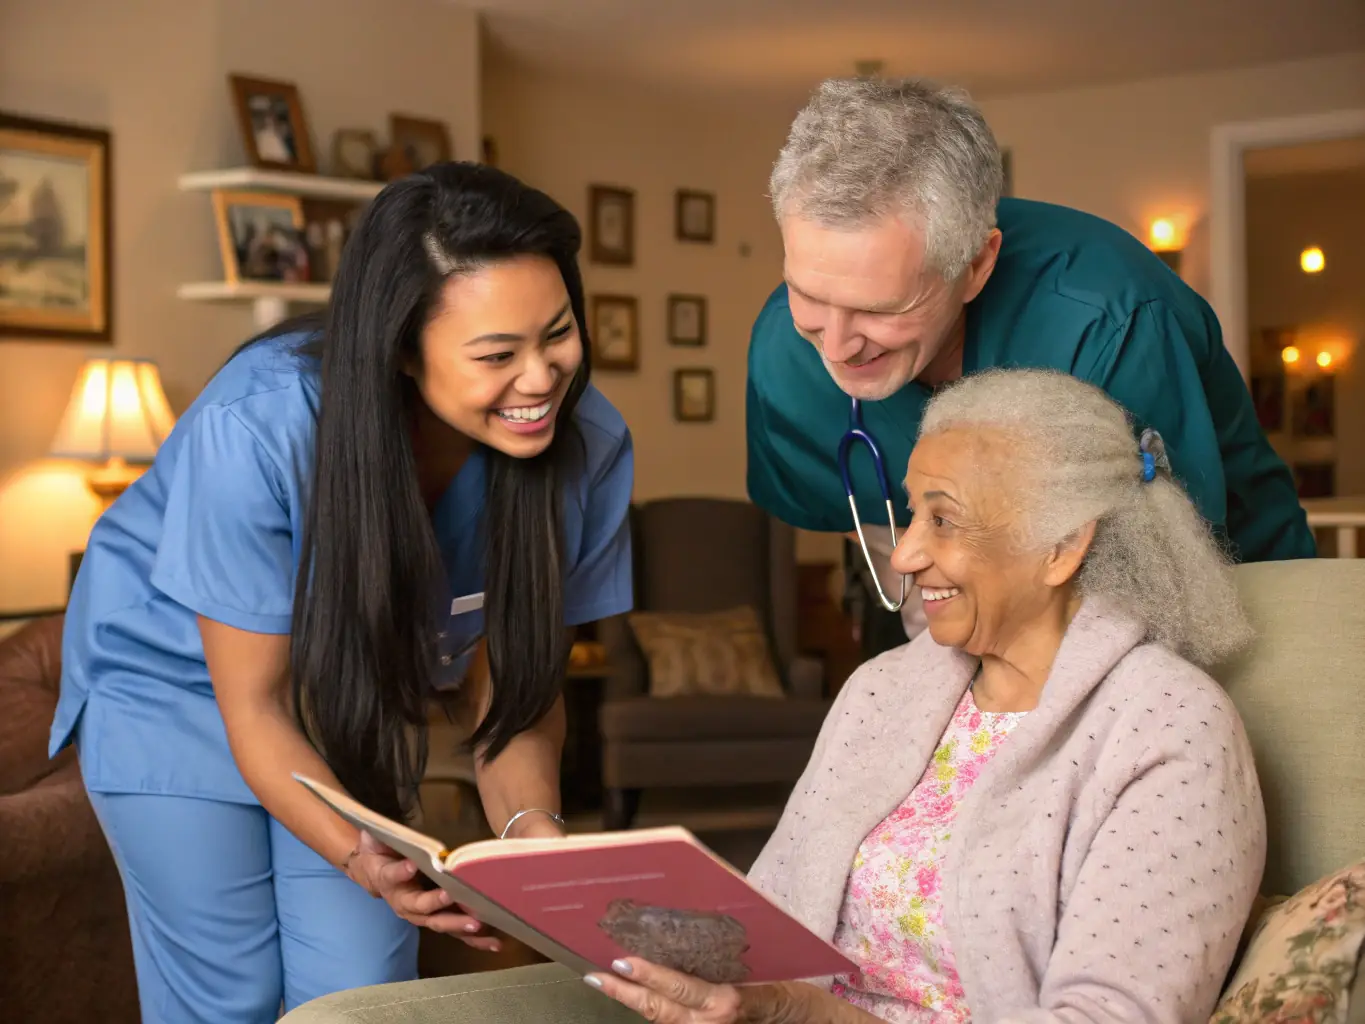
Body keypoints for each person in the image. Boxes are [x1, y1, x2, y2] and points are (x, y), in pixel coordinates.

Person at [50, 162, 634, 1021]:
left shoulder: (588, 444)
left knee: (360, 992)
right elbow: (255, 705)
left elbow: (513, 690)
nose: (542, 378)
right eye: (496, 355)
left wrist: (531, 835)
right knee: (231, 998)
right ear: (401, 349)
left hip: (352, 698)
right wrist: (358, 856)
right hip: (172, 691)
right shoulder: (260, 423)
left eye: (557, 334)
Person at [588, 368, 1265, 1024]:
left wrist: (805, 1014)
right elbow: (770, 915)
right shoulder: (880, 689)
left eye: (943, 520)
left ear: (1060, 546)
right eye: (912, 514)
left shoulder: (1169, 726)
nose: (904, 556)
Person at [745, 76, 1314, 656]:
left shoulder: (1111, 324)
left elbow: (1155, 573)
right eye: (807, 294)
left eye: (879, 309)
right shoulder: (784, 355)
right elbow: (848, 510)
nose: (837, 345)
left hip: (1221, 608)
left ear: (976, 266)